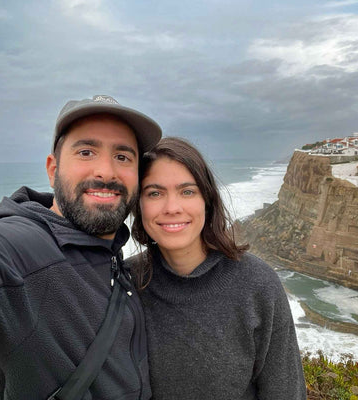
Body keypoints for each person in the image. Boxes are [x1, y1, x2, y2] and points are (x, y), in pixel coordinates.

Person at [0, 95, 161, 399]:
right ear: (52, 169)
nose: (106, 172)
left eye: (123, 157)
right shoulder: (21, 250)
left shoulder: (119, 264)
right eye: (86, 152)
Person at [129, 137, 306, 400]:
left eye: (187, 191)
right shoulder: (127, 283)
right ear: (138, 205)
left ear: (207, 201)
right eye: (154, 193)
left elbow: (286, 392)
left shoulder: (257, 284)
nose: (172, 208)